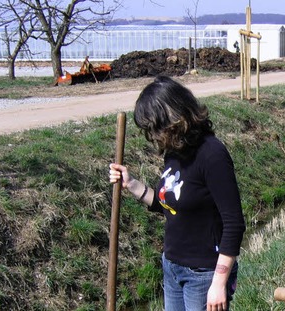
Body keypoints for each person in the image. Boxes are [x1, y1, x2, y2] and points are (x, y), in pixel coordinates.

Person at [108, 76, 246, 311]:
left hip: (203, 274)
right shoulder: (174, 151)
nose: (152, 136)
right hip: (172, 266)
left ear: (172, 118)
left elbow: (234, 224)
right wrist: (131, 185)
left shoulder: (212, 155)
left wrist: (219, 282)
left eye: (154, 128)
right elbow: (170, 206)